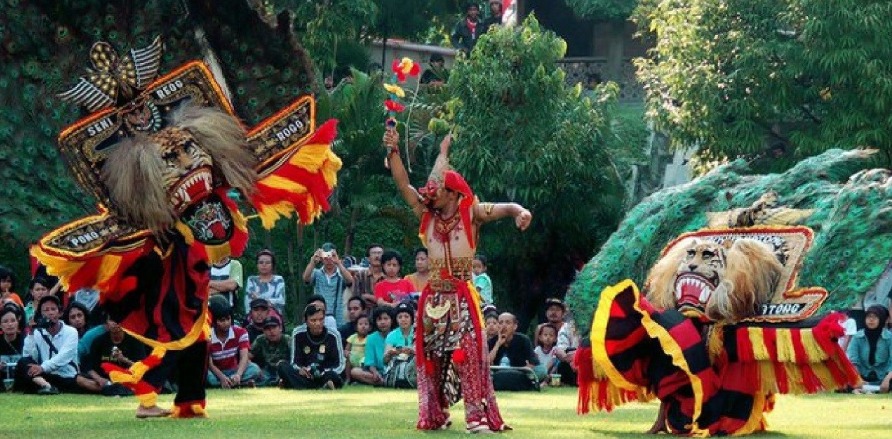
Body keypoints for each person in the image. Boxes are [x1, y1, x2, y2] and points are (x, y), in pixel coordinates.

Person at [384, 128, 532, 432]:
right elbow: (403, 184)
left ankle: (476, 417)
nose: (429, 194)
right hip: (432, 300)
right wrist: (393, 151)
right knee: (431, 360)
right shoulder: (426, 216)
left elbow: (504, 207)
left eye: (436, 190)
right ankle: (435, 413)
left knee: (469, 355)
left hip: (462, 297)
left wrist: (521, 211)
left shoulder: (472, 213)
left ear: (452, 193)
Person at [14, 296, 92, 394]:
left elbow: (64, 356)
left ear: (60, 313)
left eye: (53, 309)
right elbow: (28, 356)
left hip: (66, 376)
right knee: (23, 362)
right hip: (46, 376)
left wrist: (42, 368)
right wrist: (31, 333)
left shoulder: (71, 332)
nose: (50, 313)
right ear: (40, 314)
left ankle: (43, 386)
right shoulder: (37, 332)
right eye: (46, 310)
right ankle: (46, 386)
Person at [279, 304, 345, 389]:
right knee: (282, 366)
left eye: (321, 319)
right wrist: (301, 369)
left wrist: (322, 372)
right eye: (313, 320)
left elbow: (340, 365)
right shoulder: (298, 333)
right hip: (306, 375)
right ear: (306, 321)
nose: (318, 323)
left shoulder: (334, 335)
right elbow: (294, 362)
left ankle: (295, 385)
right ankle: (318, 388)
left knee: (333, 376)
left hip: (325, 374)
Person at [82, 315, 148, 396]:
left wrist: (124, 359)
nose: (116, 323)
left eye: (119, 320)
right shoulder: (98, 341)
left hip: (128, 380)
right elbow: (89, 367)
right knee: (80, 379)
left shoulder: (135, 341)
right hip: (103, 382)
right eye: (112, 320)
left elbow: (143, 369)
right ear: (107, 323)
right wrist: (99, 379)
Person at [206, 303, 261, 389]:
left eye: (228, 319)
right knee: (207, 376)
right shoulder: (207, 336)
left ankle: (231, 382)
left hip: (234, 370)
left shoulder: (241, 332)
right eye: (222, 320)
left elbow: (244, 357)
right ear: (214, 322)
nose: (226, 323)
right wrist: (222, 377)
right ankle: (236, 384)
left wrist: (238, 375)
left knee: (254, 369)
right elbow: (209, 363)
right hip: (216, 372)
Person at [303, 242, 354, 327]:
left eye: (331, 256)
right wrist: (313, 262)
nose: (329, 260)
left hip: (339, 317)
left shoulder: (341, 274)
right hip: (318, 316)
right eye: (325, 257)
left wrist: (338, 262)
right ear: (322, 258)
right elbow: (306, 278)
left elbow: (350, 281)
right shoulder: (317, 273)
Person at [487, 312, 542, 390]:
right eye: (500, 322)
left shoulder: (523, 340)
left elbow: (532, 363)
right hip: (497, 374)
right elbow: (486, 363)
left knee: (541, 370)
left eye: (507, 323)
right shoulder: (492, 341)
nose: (503, 325)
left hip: (519, 373)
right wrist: (498, 344)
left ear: (515, 326)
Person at [846, 305, 892, 393]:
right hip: (862, 375)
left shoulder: (890, 338)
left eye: (875, 317)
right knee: (844, 379)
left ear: (881, 319)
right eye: (868, 317)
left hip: (884, 376)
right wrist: (858, 379)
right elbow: (853, 361)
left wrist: (887, 380)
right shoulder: (857, 337)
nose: (871, 320)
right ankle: (868, 389)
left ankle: (864, 390)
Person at [383, 302, 417, 388]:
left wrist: (412, 351)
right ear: (396, 319)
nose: (403, 319)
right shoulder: (392, 335)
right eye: (400, 317)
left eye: (406, 316)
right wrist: (391, 352)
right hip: (396, 366)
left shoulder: (418, 332)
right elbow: (385, 360)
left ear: (411, 318)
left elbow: (422, 354)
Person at [249, 316, 291, 386]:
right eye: (267, 329)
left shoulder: (288, 340)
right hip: (268, 369)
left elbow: (296, 358)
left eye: (274, 327)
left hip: (284, 369)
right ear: (263, 331)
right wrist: (256, 368)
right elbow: (248, 356)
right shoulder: (260, 339)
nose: (271, 331)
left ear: (280, 328)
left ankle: (280, 382)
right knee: (258, 373)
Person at [245, 250, 287, 317]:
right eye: (261, 262)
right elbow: (249, 304)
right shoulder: (251, 280)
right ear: (257, 264)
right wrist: (270, 302)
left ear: (272, 265)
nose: (264, 265)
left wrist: (259, 298)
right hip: (254, 319)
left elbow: (281, 301)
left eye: (267, 262)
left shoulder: (278, 280)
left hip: (274, 318)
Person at [359, 306, 394, 386]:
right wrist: (375, 372)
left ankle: (385, 382)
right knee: (355, 371)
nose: (382, 322)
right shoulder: (371, 338)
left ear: (392, 320)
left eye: (386, 319)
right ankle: (385, 382)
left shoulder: (396, 334)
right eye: (379, 319)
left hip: (395, 371)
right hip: (378, 373)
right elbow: (370, 362)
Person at [352, 244, 386, 308]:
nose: (377, 256)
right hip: (364, 315)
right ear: (368, 258)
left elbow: (390, 300)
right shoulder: (359, 275)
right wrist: (380, 301)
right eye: (374, 253)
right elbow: (356, 298)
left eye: (379, 253)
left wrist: (368, 296)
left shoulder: (389, 277)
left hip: (385, 315)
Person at [0, 304, 25, 381]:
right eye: (5, 321)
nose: (10, 324)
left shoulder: (26, 341)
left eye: (13, 320)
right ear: (0, 325)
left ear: (18, 322)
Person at [345, 314, 371, 384]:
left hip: (363, 360)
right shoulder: (353, 337)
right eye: (360, 324)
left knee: (367, 364)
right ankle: (348, 379)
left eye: (366, 324)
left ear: (370, 327)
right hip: (353, 359)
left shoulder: (370, 338)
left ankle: (360, 381)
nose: (363, 326)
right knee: (347, 361)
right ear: (356, 327)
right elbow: (347, 349)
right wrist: (347, 352)